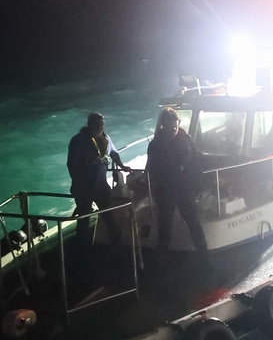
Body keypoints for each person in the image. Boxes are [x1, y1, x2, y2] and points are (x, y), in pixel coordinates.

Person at [145, 107, 208, 253]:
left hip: (185, 189)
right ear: (163, 125)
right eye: (169, 125)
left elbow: (196, 163)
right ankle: (163, 255)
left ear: (179, 122)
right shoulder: (155, 145)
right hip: (165, 190)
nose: (173, 128)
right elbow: (151, 168)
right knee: (165, 225)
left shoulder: (186, 140)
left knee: (194, 223)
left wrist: (198, 185)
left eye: (175, 124)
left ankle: (203, 253)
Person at [67, 113, 130, 248]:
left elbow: (114, 153)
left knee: (109, 217)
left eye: (102, 124)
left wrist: (122, 166)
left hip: (101, 186)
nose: (100, 127)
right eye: (97, 125)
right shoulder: (78, 141)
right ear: (90, 125)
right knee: (83, 219)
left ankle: (117, 245)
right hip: (83, 187)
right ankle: (82, 249)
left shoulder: (105, 139)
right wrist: (78, 182)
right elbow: (71, 165)